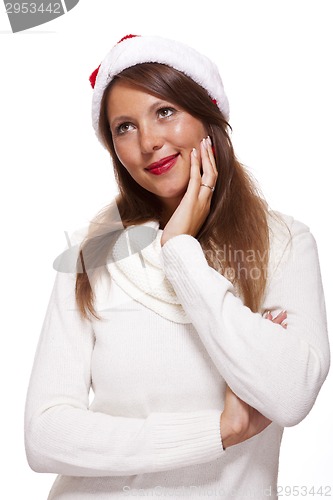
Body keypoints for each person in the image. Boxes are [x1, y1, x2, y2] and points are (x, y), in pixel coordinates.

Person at [24, 34, 330, 499]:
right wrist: (216, 432)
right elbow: (44, 436)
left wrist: (180, 252)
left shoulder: (283, 243)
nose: (148, 141)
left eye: (165, 111)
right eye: (124, 127)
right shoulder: (94, 254)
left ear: (207, 116)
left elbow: (290, 394)